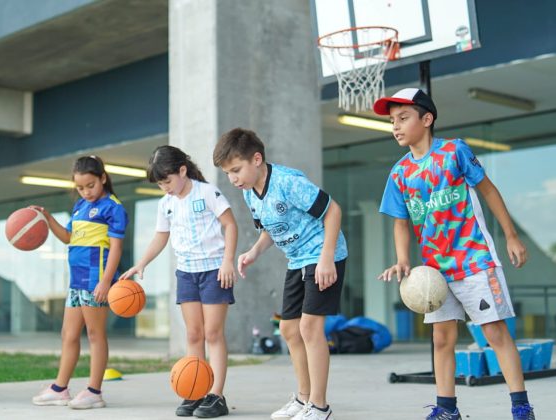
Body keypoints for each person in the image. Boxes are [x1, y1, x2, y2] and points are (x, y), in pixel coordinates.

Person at [374, 88, 535, 420]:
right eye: (393, 121)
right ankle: (447, 409)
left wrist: (511, 235)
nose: (396, 127)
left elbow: (488, 190)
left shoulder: (454, 152)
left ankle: (521, 407)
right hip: (435, 271)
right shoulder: (399, 173)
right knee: (442, 339)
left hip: (474, 259)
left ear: (427, 119)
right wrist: (403, 259)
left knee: (494, 333)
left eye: (403, 118)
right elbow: (400, 223)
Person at [214, 128, 348, 420]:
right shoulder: (251, 195)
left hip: (324, 256)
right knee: (288, 329)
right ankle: (302, 399)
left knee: (310, 329)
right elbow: (270, 232)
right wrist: (253, 252)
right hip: (297, 260)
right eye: (227, 173)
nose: (233, 178)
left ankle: (320, 405)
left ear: (257, 159)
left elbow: (333, 211)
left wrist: (326, 259)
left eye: (236, 170)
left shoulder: (288, 182)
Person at [120, 146, 238, 418]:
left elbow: (230, 225)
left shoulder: (207, 192)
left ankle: (216, 395)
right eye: (161, 184)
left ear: (182, 171)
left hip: (213, 271)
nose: (165, 188)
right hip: (186, 273)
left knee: (213, 334)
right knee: (194, 334)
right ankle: (196, 391)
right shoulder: (167, 204)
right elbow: (161, 237)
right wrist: (141, 263)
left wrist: (228, 261)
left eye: (167, 181)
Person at [31, 155, 128, 410]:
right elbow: (68, 237)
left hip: (96, 281)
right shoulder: (79, 207)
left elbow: (116, 249)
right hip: (76, 281)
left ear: (103, 178)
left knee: (96, 335)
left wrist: (106, 282)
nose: (86, 192)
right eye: (80, 188)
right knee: (68, 334)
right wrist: (48, 218)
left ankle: (94, 391)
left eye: (90, 185)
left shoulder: (113, 207)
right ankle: (60, 388)